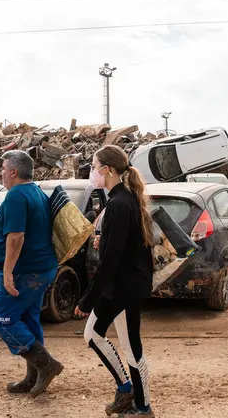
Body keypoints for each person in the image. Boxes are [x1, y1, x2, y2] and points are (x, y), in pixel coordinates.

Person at [75, 145, 155, 417]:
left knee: (131, 348)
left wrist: (88, 298)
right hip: (121, 287)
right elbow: (123, 244)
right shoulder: (121, 199)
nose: (91, 171)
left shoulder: (121, 203)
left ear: (106, 170)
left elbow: (111, 260)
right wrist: (104, 240)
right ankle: (125, 390)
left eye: (94, 165)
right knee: (94, 335)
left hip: (124, 288)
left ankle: (142, 407)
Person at [0, 150, 63, 397]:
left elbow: (16, 237)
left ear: (13, 171)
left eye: (3, 168)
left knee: (3, 319)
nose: (1, 173)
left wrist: (8, 272)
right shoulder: (36, 192)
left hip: (25, 272)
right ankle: (34, 376)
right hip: (43, 269)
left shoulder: (16, 197)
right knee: (29, 319)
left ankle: (46, 365)